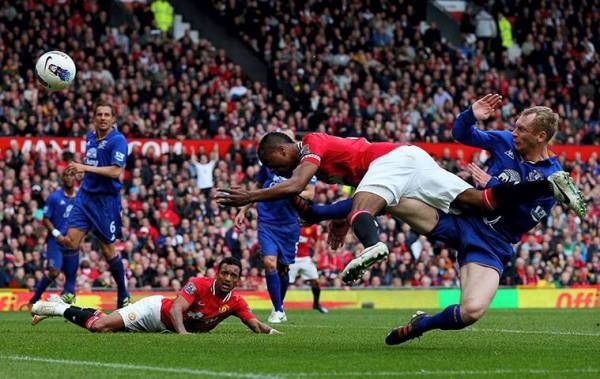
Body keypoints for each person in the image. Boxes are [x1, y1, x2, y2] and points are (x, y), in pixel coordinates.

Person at [216, 121, 584, 284]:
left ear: (282, 150)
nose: (275, 171)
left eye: (272, 164)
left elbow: (296, 183)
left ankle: (374, 244)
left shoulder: (311, 143)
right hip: (410, 161)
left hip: (391, 162)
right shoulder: (317, 162)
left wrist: (250, 196)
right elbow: (350, 196)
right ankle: (546, 186)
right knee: (483, 201)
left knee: (363, 206)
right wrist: (325, 217)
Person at [382, 95, 586, 344]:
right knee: (392, 199)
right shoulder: (504, 141)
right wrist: (470, 115)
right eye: (515, 126)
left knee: (472, 311)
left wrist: (493, 185)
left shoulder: (552, 180)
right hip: (461, 216)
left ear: (540, 136)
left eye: (521, 129)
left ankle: (422, 324)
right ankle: (338, 213)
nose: (514, 132)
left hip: (491, 243)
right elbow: (462, 134)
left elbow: (522, 219)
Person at [31, 257, 281, 335]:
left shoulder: (236, 302)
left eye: (232, 275)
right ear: (217, 274)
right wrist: (183, 334)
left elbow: (255, 325)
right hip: (153, 311)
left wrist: (273, 333)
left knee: (105, 323)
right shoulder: (198, 284)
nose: (227, 278)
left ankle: (64, 304)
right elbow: (175, 309)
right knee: (101, 327)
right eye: (224, 273)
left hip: (162, 329)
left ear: (238, 280)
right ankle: (55, 309)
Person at [57, 100, 131, 308]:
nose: (103, 118)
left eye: (107, 115)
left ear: (113, 119)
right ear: (94, 117)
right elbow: (91, 164)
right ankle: (69, 291)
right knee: (70, 241)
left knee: (108, 252)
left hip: (106, 202)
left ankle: (123, 294)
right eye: (100, 114)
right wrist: (79, 171)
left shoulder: (118, 141)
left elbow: (116, 171)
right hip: (85, 196)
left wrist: (85, 168)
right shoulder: (90, 137)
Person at [235, 158, 317, 323]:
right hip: (267, 222)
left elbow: (310, 193)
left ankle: (278, 305)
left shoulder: (304, 167)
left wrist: (289, 190)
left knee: (283, 268)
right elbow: (257, 188)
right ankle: (278, 309)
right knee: (269, 262)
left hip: (289, 225)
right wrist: (243, 210)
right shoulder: (267, 165)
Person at [27, 170, 79, 318]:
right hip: (55, 241)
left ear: (75, 178)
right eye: (66, 175)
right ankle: (34, 299)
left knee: (71, 277)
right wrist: (56, 233)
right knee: (54, 271)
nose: (69, 178)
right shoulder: (54, 197)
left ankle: (64, 309)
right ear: (62, 178)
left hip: (72, 241)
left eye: (71, 175)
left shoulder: (80, 198)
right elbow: (45, 218)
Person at [289, 224, 328, 314]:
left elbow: (317, 239)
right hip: (291, 258)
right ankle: (278, 307)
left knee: (316, 282)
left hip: (305, 258)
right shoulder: (291, 222)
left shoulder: (312, 226)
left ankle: (316, 304)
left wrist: (315, 254)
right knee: (285, 283)